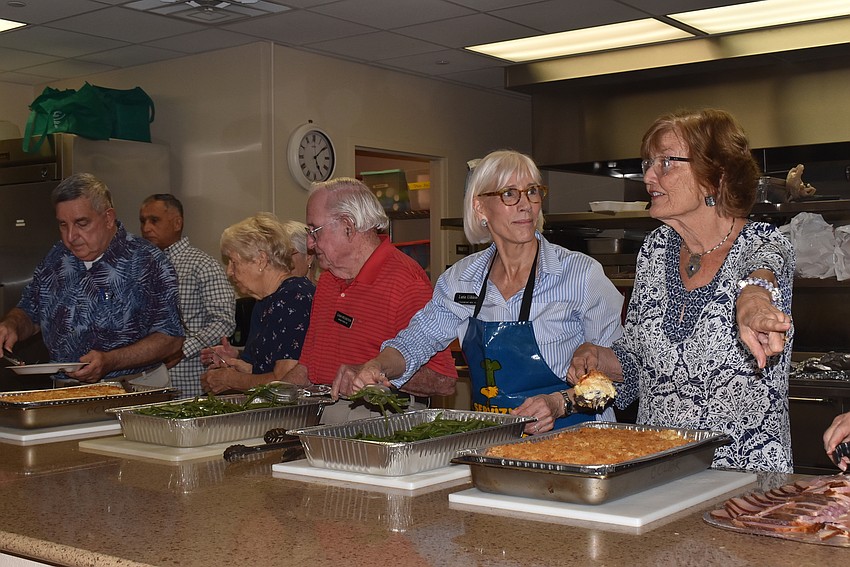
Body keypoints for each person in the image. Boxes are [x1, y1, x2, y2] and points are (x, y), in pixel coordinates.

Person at [569, 109, 795, 472]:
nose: (648, 176)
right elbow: (639, 359)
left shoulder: (763, 242)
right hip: (655, 468)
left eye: (666, 163)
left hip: (739, 479)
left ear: (715, 176)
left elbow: (762, 273)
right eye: (647, 163)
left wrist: (753, 300)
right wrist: (599, 358)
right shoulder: (656, 249)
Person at [334, 151, 624, 433]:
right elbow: (416, 341)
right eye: (509, 194)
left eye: (532, 191)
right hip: (497, 442)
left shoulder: (581, 275)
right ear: (480, 208)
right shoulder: (462, 280)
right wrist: (376, 366)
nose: (526, 205)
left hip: (580, 441)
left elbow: (621, 373)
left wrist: (562, 403)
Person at [280, 177, 458, 424]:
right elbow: (309, 368)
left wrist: (370, 372)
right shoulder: (329, 280)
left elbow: (443, 380)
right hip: (321, 413)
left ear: (348, 226)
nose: (310, 244)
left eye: (314, 231)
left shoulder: (404, 280)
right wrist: (266, 400)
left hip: (381, 418)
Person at [0, 173, 184, 383]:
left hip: (133, 388)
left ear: (108, 218)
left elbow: (171, 338)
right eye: (63, 224)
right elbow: (30, 313)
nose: (70, 236)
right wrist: (11, 325)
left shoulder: (147, 262)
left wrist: (111, 360)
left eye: (81, 223)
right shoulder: (56, 258)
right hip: (65, 390)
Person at [200, 213, 314, 393]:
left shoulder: (293, 296)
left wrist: (231, 379)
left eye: (234, 262)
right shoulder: (270, 300)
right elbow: (270, 368)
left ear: (261, 260)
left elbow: (285, 381)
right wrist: (244, 368)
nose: (229, 271)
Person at [139, 194, 236, 397]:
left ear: (177, 223)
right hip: (146, 380)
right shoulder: (140, 268)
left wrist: (182, 350)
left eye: (154, 220)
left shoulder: (202, 265)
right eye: (143, 221)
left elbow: (224, 321)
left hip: (189, 382)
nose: (146, 228)